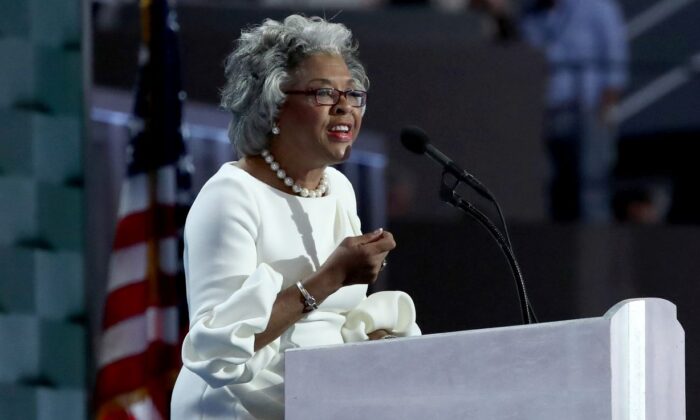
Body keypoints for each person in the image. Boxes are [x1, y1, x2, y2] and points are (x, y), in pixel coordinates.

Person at [171, 15, 421, 419]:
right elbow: (216, 349)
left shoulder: (338, 189)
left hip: (321, 398)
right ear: (272, 106)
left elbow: (331, 318)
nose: (344, 107)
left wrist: (372, 339)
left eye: (352, 93)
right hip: (237, 406)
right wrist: (331, 277)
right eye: (324, 93)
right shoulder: (230, 196)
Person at [471, 0, 628, 222]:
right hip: (541, 115)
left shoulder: (597, 7)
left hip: (586, 112)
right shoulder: (528, 13)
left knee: (591, 191)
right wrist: (500, 16)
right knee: (544, 191)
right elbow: (518, 52)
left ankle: (595, 254)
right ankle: (556, 251)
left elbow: (615, 61)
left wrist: (604, 110)